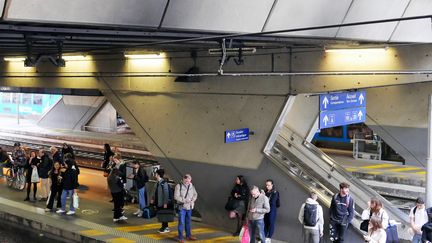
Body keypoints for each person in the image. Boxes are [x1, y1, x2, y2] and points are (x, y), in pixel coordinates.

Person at [174, 174, 198, 243]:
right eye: (186, 181)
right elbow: (176, 197)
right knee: (181, 222)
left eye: (188, 181)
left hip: (189, 207)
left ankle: (188, 235)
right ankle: (180, 237)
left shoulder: (191, 186)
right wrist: (185, 200)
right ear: (183, 179)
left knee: (188, 222)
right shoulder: (178, 186)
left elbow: (195, 194)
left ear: (190, 180)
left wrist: (192, 200)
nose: (187, 182)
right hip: (182, 207)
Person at [151, 168, 170, 233]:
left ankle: (166, 227)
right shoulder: (157, 182)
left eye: (156, 174)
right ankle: (163, 227)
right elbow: (154, 192)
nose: (155, 175)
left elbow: (166, 194)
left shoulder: (164, 183)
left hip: (162, 202)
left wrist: (165, 203)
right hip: (158, 202)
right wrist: (152, 199)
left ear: (158, 175)